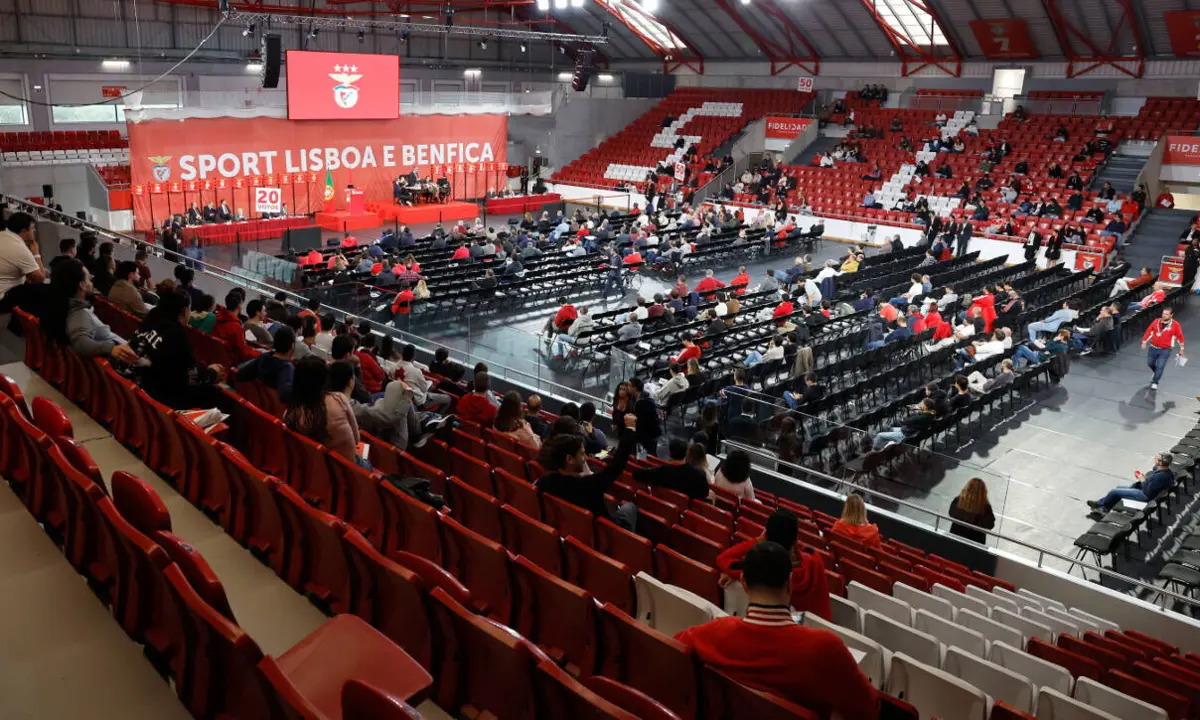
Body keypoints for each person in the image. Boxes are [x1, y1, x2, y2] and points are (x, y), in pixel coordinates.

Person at [676, 542, 881, 719]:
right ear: (790, 584)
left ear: (745, 583)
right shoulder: (826, 649)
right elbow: (869, 710)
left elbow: (674, 649)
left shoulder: (712, 633)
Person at [715, 509, 831, 620]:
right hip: (820, 627)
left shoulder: (762, 570)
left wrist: (758, 540)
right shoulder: (815, 558)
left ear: (766, 537)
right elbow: (801, 552)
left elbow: (723, 558)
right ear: (795, 539)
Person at [536, 411, 639, 529]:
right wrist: (630, 429)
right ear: (570, 459)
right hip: (610, 534)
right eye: (582, 454)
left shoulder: (544, 482)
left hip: (575, 532)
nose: (585, 458)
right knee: (630, 508)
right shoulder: (589, 486)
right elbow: (616, 466)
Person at [128, 289, 224, 410]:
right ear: (184, 311)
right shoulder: (176, 334)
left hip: (137, 383)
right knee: (216, 393)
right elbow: (190, 375)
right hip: (157, 394)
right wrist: (212, 373)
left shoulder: (150, 319)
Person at [43, 258, 138, 362]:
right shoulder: (79, 315)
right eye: (88, 279)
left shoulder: (62, 306)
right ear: (82, 285)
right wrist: (112, 349)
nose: (91, 282)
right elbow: (81, 343)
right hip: (125, 360)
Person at [1089, 453, 1175, 513]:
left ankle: (1104, 509)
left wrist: (1142, 479)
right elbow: (1156, 470)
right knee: (1119, 487)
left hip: (1144, 496)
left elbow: (1148, 491)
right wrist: (1148, 476)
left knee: (1114, 492)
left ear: (1160, 462)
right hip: (1147, 491)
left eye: (1158, 459)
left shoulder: (1160, 477)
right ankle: (1100, 503)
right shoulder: (1167, 471)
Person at [633, 439, 710, 500]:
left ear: (669, 453)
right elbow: (705, 494)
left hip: (663, 508)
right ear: (686, 453)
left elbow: (636, 474)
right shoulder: (699, 475)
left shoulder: (660, 472)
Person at [235, 326, 296, 403]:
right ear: (292, 346)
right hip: (275, 410)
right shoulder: (286, 368)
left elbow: (240, 374)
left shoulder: (263, 357)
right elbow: (285, 395)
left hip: (259, 404)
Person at [0, 212, 46, 312]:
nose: (34, 231)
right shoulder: (18, 247)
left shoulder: (3, 235)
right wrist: (36, 253)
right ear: (24, 231)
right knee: (44, 290)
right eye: (32, 228)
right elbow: (41, 278)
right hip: (3, 298)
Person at [1143, 306, 1184, 390]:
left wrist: (1182, 349)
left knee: (1160, 366)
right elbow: (1149, 331)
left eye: (1166, 314)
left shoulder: (1175, 325)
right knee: (1150, 363)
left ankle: (1155, 382)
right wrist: (1144, 341)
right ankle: (1156, 373)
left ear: (1171, 315)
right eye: (1163, 313)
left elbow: (1180, 337)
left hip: (1165, 350)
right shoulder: (1156, 321)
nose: (1164, 315)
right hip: (1153, 347)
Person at [871, 397, 936, 450]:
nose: (920, 405)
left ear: (926, 407)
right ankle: (880, 442)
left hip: (904, 435)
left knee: (880, 435)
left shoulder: (921, 417)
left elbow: (907, 421)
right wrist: (920, 411)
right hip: (909, 431)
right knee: (889, 428)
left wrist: (915, 413)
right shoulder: (932, 414)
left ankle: (873, 449)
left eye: (922, 404)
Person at [948, 478, 995, 545]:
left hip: (956, 538)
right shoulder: (985, 507)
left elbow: (951, 513)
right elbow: (990, 525)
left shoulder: (958, 501)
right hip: (975, 542)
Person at [629, 377, 663, 457]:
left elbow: (642, 422)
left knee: (651, 454)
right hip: (652, 431)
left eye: (629, 386)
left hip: (650, 433)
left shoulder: (641, 403)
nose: (628, 388)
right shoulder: (643, 397)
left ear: (635, 388)